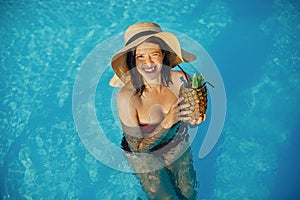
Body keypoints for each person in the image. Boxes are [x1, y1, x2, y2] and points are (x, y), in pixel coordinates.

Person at [110, 22, 206, 200]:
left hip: (175, 144)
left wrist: (196, 115)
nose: (148, 63)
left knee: (189, 194)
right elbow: (138, 148)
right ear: (133, 60)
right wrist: (167, 122)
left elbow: (191, 114)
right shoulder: (127, 97)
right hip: (143, 156)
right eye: (140, 57)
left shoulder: (180, 81)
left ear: (164, 55)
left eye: (154, 54)